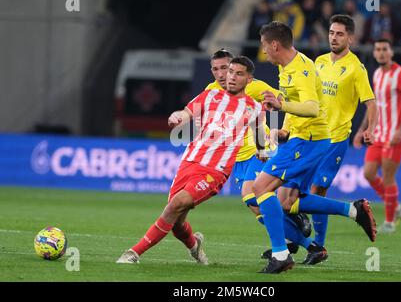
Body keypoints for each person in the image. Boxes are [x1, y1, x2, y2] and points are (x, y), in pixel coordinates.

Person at [116, 56, 267, 264]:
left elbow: (260, 138)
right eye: (230, 71)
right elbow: (186, 112)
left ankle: (133, 253)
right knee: (176, 221)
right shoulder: (210, 95)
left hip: (215, 170)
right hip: (189, 163)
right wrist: (177, 116)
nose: (231, 77)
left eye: (238, 73)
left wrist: (263, 152)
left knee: (176, 204)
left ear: (249, 80)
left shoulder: (254, 108)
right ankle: (195, 247)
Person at [253, 21, 377, 273]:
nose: (264, 51)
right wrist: (285, 125)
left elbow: (311, 107)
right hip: (303, 136)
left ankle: (283, 253)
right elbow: (293, 100)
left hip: (314, 138)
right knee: (286, 200)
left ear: (275, 45)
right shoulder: (293, 66)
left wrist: (280, 106)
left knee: (261, 187)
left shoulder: (304, 70)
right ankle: (352, 211)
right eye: (331, 32)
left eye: (265, 46)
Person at [205, 48, 305, 256]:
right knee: (255, 207)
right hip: (237, 158)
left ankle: (296, 221)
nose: (221, 74)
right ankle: (292, 237)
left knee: (251, 195)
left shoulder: (253, 85)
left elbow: (280, 98)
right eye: (216, 69)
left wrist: (272, 104)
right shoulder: (211, 91)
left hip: (260, 151)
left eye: (225, 68)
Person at [354, 39, 401, 233]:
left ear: (391, 52)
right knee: (368, 173)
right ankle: (397, 208)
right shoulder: (376, 74)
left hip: (395, 136)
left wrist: (400, 130)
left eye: (385, 49)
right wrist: (361, 130)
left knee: (389, 177)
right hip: (379, 134)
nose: (381, 53)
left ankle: (390, 222)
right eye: (378, 50)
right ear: (374, 53)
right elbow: (372, 106)